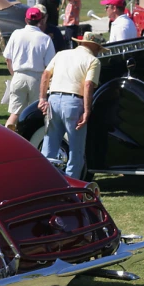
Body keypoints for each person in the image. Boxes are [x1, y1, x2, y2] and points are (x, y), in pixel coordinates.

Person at [38, 32, 107, 178]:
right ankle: (71, 187)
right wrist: (87, 110)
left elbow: (45, 74)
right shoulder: (93, 60)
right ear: (95, 47)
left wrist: (42, 98)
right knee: (76, 152)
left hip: (54, 99)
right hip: (74, 103)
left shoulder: (61, 54)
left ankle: (45, 183)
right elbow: (88, 85)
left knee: (48, 148)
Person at [3, 7, 55, 131]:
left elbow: (7, 59)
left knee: (15, 113)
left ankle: (8, 136)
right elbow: (50, 65)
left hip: (18, 75)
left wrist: (14, 74)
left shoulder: (16, 34)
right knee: (34, 114)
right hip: (36, 78)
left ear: (26, 19)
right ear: (40, 20)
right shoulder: (45, 38)